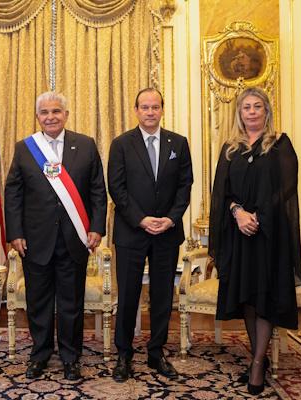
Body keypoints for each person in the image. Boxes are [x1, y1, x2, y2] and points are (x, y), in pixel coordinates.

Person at [4, 91, 107, 380]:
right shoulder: (25, 148)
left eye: (56, 111)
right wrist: (15, 232)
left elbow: (98, 190)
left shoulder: (85, 145)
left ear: (66, 115)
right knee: (38, 302)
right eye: (45, 112)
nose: (51, 117)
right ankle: (40, 354)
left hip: (74, 238)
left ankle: (71, 357)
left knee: (71, 302)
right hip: (35, 240)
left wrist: (97, 227)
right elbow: (13, 193)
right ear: (38, 116)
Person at [209, 87, 301, 395]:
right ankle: (256, 357)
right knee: (248, 298)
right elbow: (221, 192)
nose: (251, 111)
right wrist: (238, 213)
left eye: (257, 106)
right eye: (246, 107)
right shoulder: (230, 149)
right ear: (239, 113)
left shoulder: (280, 145)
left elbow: (286, 188)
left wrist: (258, 217)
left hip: (268, 235)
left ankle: (259, 364)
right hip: (239, 235)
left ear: (266, 111)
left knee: (264, 297)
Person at [108, 88, 193, 382]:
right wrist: (141, 219)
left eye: (155, 107)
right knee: (128, 295)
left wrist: (170, 219)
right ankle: (124, 354)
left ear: (162, 110)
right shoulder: (121, 144)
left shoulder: (178, 143)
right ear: (136, 110)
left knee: (162, 296)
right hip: (131, 232)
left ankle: (157, 352)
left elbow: (185, 185)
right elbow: (116, 188)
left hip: (167, 233)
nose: (150, 112)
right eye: (144, 107)